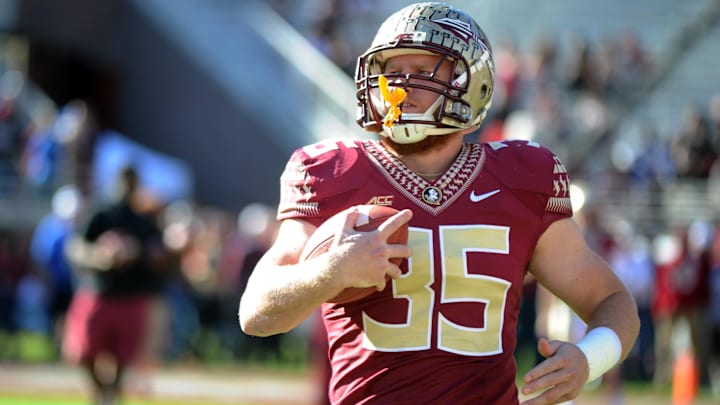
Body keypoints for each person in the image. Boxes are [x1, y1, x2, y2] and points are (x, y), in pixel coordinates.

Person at [239, 3, 640, 404]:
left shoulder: (522, 176)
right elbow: (256, 312)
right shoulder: (331, 170)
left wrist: (589, 358)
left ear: (472, 81)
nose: (401, 84)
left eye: (424, 69)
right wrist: (328, 272)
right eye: (392, 71)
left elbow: (613, 302)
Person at [63, 164, 172, 405]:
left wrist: (136, 253)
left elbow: (159, 254)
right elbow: (75, 247)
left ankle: (111, 394)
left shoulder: (143, 221)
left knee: (123, 356)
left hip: (130, 296)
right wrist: (100, 256)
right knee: (83, 352)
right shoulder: (101, 215)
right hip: (97, 293)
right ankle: (102, 391)